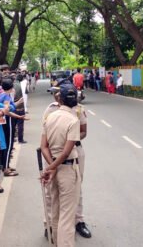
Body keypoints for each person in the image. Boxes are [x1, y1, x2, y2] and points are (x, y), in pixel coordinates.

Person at [43, 81, 92, 240]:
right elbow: (46, 138)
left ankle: (78, 221)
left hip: (73, 152)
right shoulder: (50, 110)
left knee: (75, 188)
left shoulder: (78, 110)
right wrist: (52, 164)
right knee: (51, 193)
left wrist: (72, 139)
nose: (55, 95)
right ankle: (50, 225)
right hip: (52, 155)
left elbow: (83, 131)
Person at [40, 83, 81, 247]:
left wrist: (50, 168)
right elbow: (66, 153)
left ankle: (56, 242)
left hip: (52, 166)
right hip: (67, 169)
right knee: (67, 215)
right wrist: (54, 168)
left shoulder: (50, 116)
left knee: (55, 209)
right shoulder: (73, 119)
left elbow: (44, 146)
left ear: (60, 98)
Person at [0, 78, 27, 176]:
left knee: (6, 144)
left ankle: (5, 165)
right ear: (11, 87)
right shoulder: (6, 96)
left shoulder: (2, 95)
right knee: (9, 144)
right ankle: (6, 168)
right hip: (8, 120)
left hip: (3, 121)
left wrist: (15, 103)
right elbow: (7, 109)